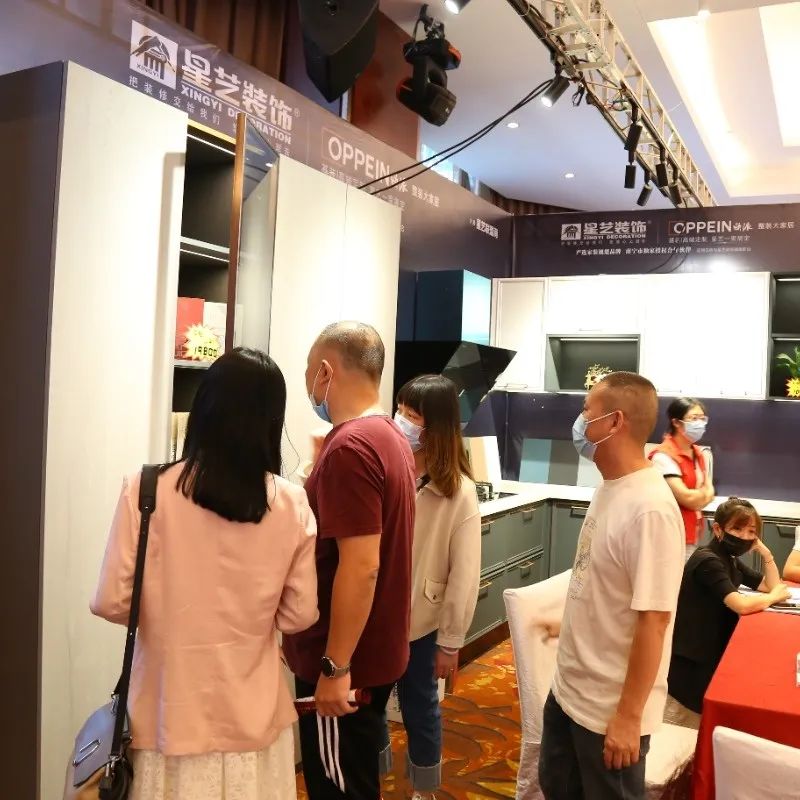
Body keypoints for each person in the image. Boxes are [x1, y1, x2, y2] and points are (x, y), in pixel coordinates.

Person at [91, 348, 319, 800]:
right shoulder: (291, 502)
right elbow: (299, 616)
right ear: (271, 421)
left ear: (204, 409)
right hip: (253, 716)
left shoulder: (146, 489)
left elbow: (111, 601)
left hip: (165, 711)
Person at [282, 321, 416, 800]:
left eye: (307, 371)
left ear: (325, 371)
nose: (307, 383)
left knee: (338, 788)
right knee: (355, 779)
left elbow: (361, 566)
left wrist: (335, 668)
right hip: (373, 654)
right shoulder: (388, 436)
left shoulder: (351, 447)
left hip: (345, 664)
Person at [538, 372, 684, 800]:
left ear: (615, 421)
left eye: (587, 410)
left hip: (607, 713)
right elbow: (603, 584)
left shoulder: (650, 508)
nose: (580, 420)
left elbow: (654, 622)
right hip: (569, 692)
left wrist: (628, 717)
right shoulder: (611, 487)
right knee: (557, 787)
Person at [392, 374, 481, 800]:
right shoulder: (388, 466)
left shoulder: (458, 492)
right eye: (401, 410)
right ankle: (373, 780)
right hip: (375, 615)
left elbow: (465, 573)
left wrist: (450, 641)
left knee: (420, 708)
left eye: (412, 415)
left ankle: (423, 790)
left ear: (436, 427)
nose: (402, 421)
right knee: (367, 708)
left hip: (423, 621)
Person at [665, 498, 791, 729]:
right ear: (718, 529)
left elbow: (769, 585)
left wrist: (766, 554)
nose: (744, 536)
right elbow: (741, 604)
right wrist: (773, 597)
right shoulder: (708, 560)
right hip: (689, 668)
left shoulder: (729, 559)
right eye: (737, 528)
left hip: (706, 657)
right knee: (684, 732)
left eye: (751, 531)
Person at [649, 398, 715, 560]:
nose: (699, 423)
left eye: (702, 418)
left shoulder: (699, 453)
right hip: (668, 535)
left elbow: (710, 491)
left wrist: (699, 496)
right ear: (676, 422)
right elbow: (687, 498)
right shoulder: (663, 456)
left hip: (692, 534)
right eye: (694, 418)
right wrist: (701, 496)